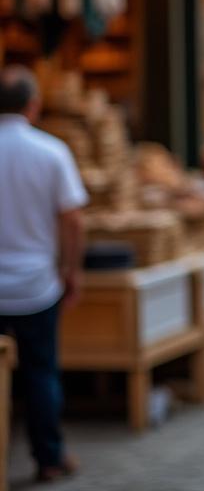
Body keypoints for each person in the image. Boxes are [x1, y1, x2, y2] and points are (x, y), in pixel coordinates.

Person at [0, 65, 85, 481]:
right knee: (40, 372)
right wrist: (73, 271)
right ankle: (48, 458)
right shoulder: (52, 152)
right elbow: (73, 220)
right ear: (33, 106)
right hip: (36, 285)